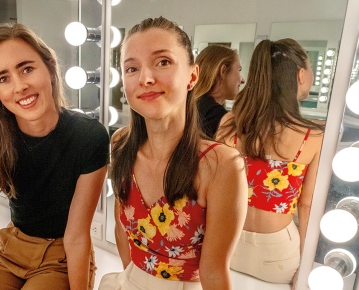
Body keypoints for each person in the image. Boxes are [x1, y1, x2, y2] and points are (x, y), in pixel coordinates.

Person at [0, 22, 109, 290]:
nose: (19, 86)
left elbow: (77, 235)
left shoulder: (89, 137)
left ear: (49, 68)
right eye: (3, 78)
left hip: (61, 254)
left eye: (26, 68)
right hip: (10, 248)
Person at [98, 17, 248, 290]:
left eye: (163, 62)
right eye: (132, 68)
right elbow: (123, 232)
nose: (145, 78)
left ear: (193, 76)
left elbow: (214, 273)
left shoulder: (221, 164)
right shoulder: (120, 144)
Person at [216, 38, 325, 286]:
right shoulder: (314, 135)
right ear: (300, 76)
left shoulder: (229, 124)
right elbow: (306, 206)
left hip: (227, 242)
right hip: (277, 254)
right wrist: (307, 266)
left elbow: (214, 189)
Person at [192, 44, 245, 138]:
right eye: (239, 70)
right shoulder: (215, 116)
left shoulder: (195, 105)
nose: (242, 80)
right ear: (223, 71)